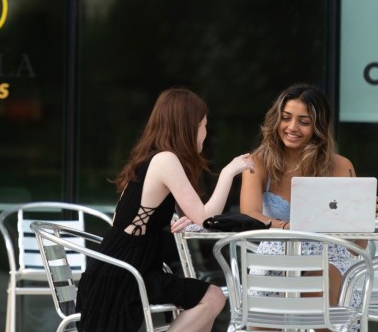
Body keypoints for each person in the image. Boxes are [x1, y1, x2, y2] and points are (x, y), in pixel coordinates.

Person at [76, 87, 254, 332]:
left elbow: (196, 216)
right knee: (213, 297)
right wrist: (229, 172)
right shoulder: (165, 160)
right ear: (188, 126)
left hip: (122, 269)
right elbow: (207, 218)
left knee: (209, 298)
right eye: (203, 125)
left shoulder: (153, 159)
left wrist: (190, 219)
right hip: (124, 277)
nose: (205, 133)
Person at [240, 83, 378, 308]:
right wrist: (289, 228)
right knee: (262, 313)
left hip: (328, 257)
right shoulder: (257, 162)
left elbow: (357, 244)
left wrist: (363, 218)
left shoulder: (340, 166)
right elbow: (249, 215)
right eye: (286, 118)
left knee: (316, 291)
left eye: (304, 122)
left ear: (318, 127)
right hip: (274, 254)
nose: (292, 127)